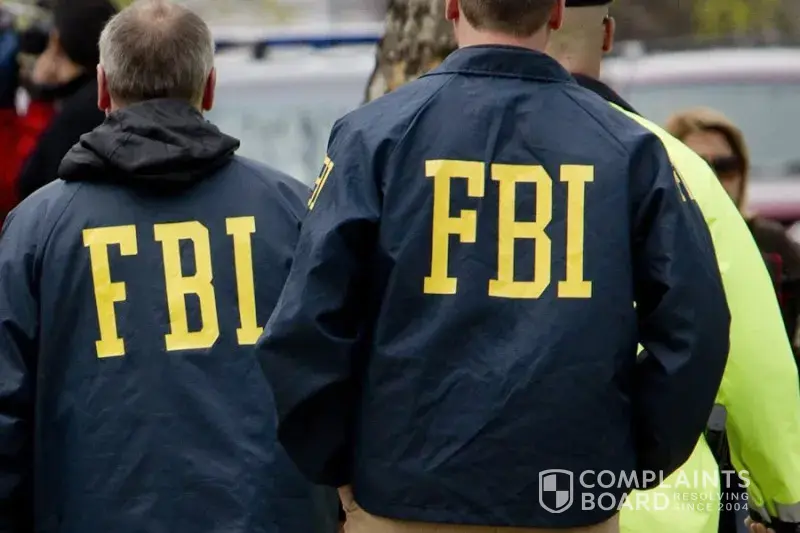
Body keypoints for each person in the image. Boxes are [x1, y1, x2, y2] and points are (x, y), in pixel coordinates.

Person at [256, 0, 731, 531]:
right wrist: (628, 454)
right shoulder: (628, 147)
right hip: (567, 497)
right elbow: (697, 325)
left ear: (451, 7)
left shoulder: (374, 136)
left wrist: (341, 467)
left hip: (403, 497)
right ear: (556, 13)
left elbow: (306, 326)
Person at [0, 1, 339, 531]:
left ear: (102, 88)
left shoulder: (36, 230)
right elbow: (338, 379)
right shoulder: (294, 211)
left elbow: (7, 410)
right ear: (209, 87)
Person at [545, 2, 800, 533]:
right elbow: (749, 352)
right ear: (608, 35)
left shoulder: (434, 152)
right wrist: (784, 497)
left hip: (455, 497)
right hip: (648, 502)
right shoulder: (673, 164)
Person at [666, 107, 800, 353]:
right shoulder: (653, 245)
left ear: (742, 172)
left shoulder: (771, 244)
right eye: (697, 165)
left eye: (725, 166)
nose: (713, 178)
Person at [14, 0, 115, 203]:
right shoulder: (116, 95)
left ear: (56, 42)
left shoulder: (75, 116)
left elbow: (27, 182)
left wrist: (39, 101)